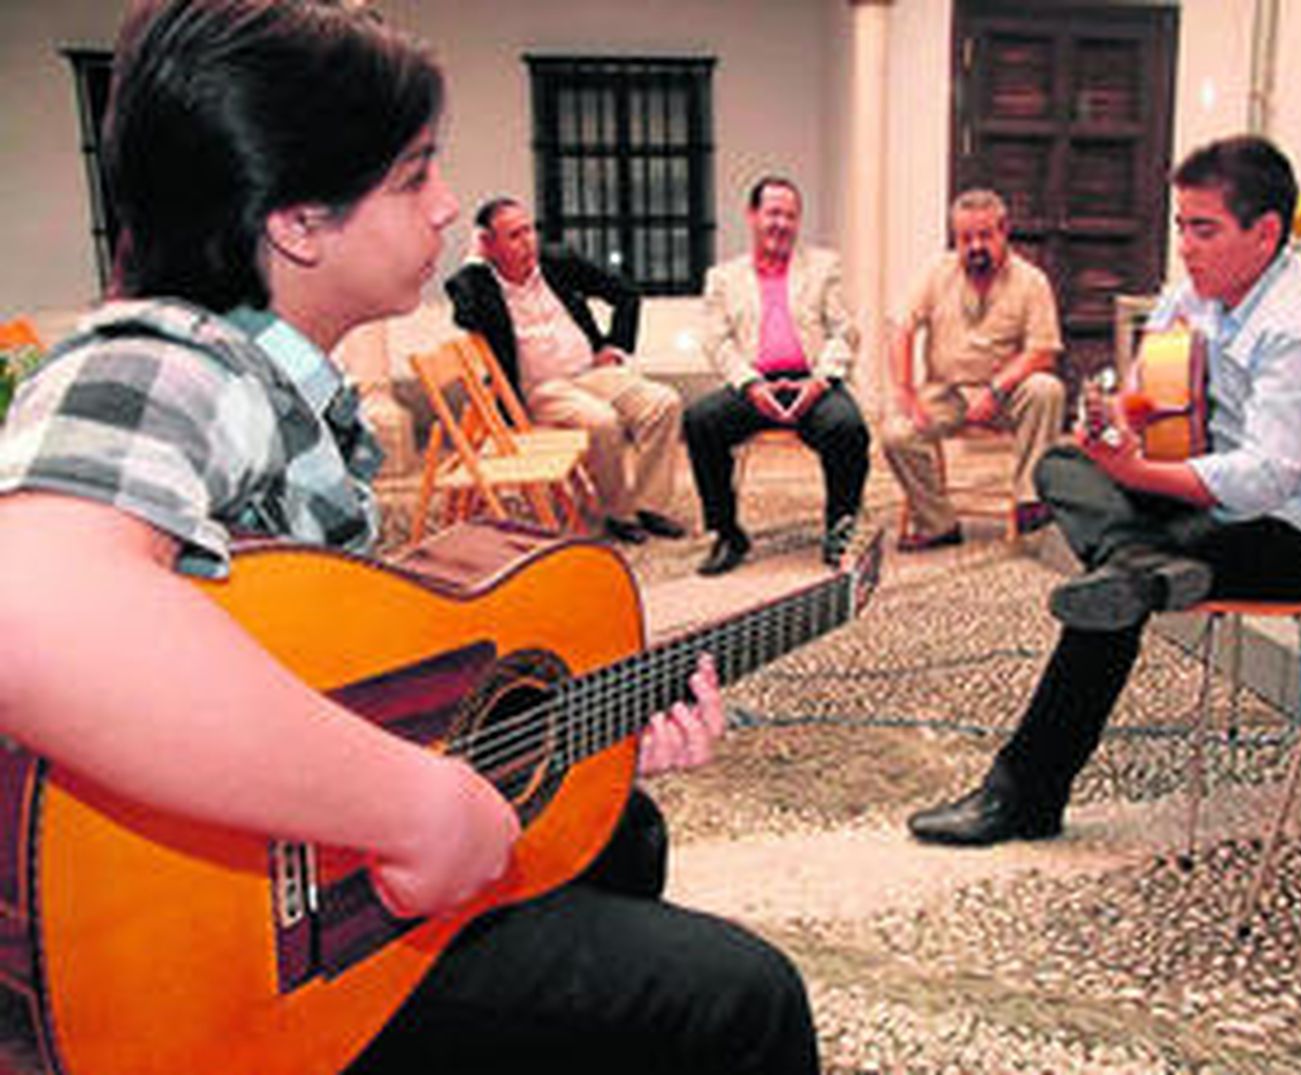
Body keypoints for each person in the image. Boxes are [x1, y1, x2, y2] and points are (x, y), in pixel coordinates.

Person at [0, 3, 817, 1073]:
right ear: (298, 220)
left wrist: (592, 728)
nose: (444, 209)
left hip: (309, 900)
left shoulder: (289, 379)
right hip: (213, 957)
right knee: (743, 1003)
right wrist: (410, 805)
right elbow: (33, 605)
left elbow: (350, 669)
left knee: (620, 829)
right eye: (413, 174)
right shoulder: (165, 361)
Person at [908, 135, 1301, 847]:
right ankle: (1142, 566)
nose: (1187, 248)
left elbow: (1263, 479)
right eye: (1180, 227)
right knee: (1062, 469)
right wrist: (1112, 424)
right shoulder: (1197, 294)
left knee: (1113, 593)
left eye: (1205, 229)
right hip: (1214, 501)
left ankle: (1023, 793)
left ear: (1266, 233)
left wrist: (1135, 476)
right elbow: (1145, 394)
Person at [446, 196, 686, 545]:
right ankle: (617, 512)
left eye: (529, 230)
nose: (528, 241)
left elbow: (625, 292)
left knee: (664, 402)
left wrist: (614, 345)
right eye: (514, 236)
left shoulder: (558, 261)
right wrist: (474, 259)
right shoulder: (477, 284)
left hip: (591, 371)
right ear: (489, 244)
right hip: (542, 389)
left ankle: (649, 505)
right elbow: (464, 313)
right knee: (603, 422)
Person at [684, 176, 871, 575]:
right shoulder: (723, 277)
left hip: (813, 381)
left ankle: (841, 528)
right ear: (752, 216)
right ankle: (727, 533)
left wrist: (821, 381)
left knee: (848, 428)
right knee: (700, 422)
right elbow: (717, 341)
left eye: (790, 215)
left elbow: (845, 331)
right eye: (772, 213)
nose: (781, 224)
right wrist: (751, 385)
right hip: (754, 384)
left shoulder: (823, 267)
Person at [883, 188, 1065, 551]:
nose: (975, 246)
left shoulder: (1032, 282)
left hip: (1006, 393)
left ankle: (1030, 505)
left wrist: (998, 388)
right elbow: (900, 327)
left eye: (985, 236)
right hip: (945, 392)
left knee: (1047, 389)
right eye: (966, 238)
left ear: (1004, 232)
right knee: (895, 432)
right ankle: (938, 523)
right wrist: (905, 390)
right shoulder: (937, 271)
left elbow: (1043, 351)